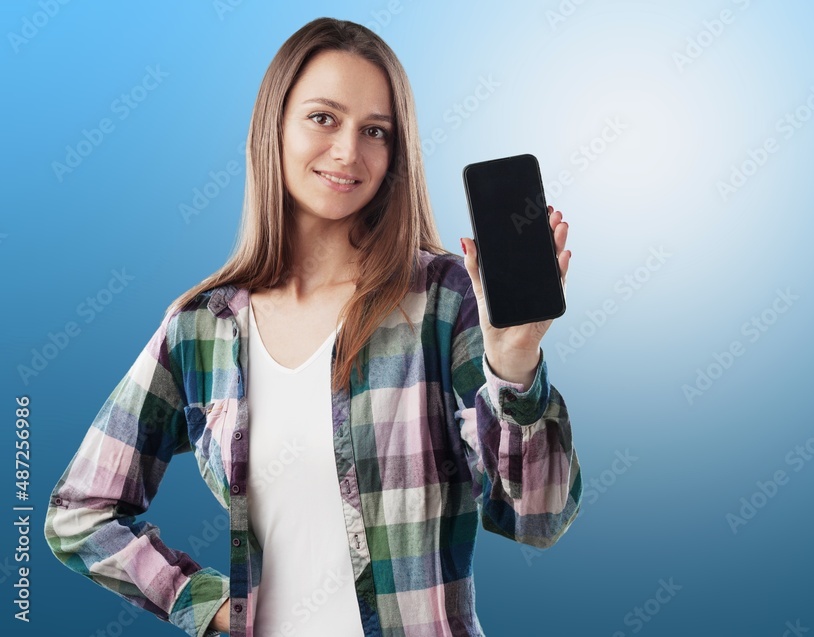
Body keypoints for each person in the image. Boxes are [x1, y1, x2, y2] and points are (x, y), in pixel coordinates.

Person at [44, 16, 581, 637]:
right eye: (323, 118)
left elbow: (536, 519)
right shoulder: (202, 328)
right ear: (274, 125)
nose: (348, 151)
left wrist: (514, 366)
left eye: (374, 131)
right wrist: (209, 605)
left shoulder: (444, 299)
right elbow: (79, 511)